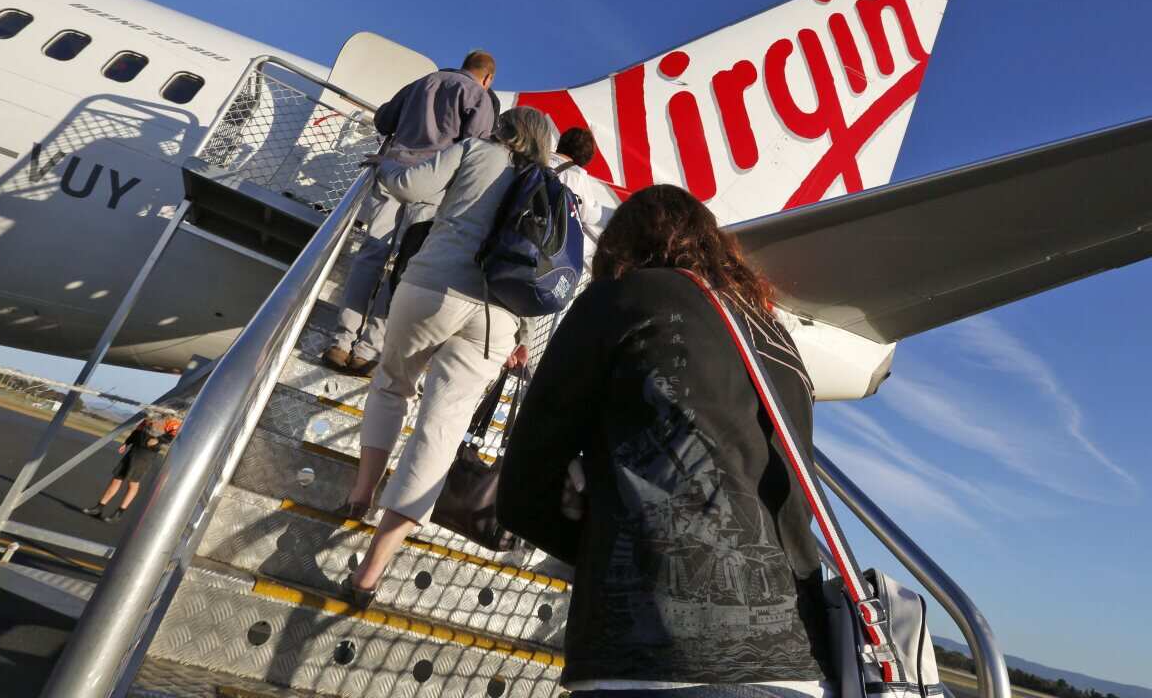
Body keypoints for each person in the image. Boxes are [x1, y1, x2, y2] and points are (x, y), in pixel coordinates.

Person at [497, 185, 834, 697]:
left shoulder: (624, 299)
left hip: (653, 655)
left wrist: (617, 532)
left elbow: (523, 494)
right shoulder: (778, 340)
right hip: (798, 662)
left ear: (620, 248)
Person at [337, 106, 556, 607]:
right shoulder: (548, 186)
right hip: (497, 318)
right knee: (441, 429)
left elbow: (411, 188)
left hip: (432, 288)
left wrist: (384, 166)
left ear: (503, 131)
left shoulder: (476, 151)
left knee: (393, 385)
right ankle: (373, 569)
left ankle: (361, 494)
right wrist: (522, 332)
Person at [323, 50, 499, 377]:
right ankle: (368, 349)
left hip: (392, 171)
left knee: (371, 254)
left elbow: (383, 120)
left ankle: (341, 341)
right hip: (432, 187)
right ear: (487, 78)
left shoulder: (424, 82)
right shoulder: (478, 96)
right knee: (403, 265)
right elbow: (476, 150)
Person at [82, 416, 181, 523]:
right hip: (134, 449)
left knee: (133, 483)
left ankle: (119, 513)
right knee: (117, 478)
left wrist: (158, 439)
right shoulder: (153, 415)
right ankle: (99, 508)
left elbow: (174, 434)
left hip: (146, 454)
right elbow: (138, 430)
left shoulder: (173, 420)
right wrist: (127, 442)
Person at [549, 127, 607, 242]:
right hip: (549, 240)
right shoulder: (578, 176)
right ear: (586, 158)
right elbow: (590, 214)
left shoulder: (538, 156)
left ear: (561, 142)